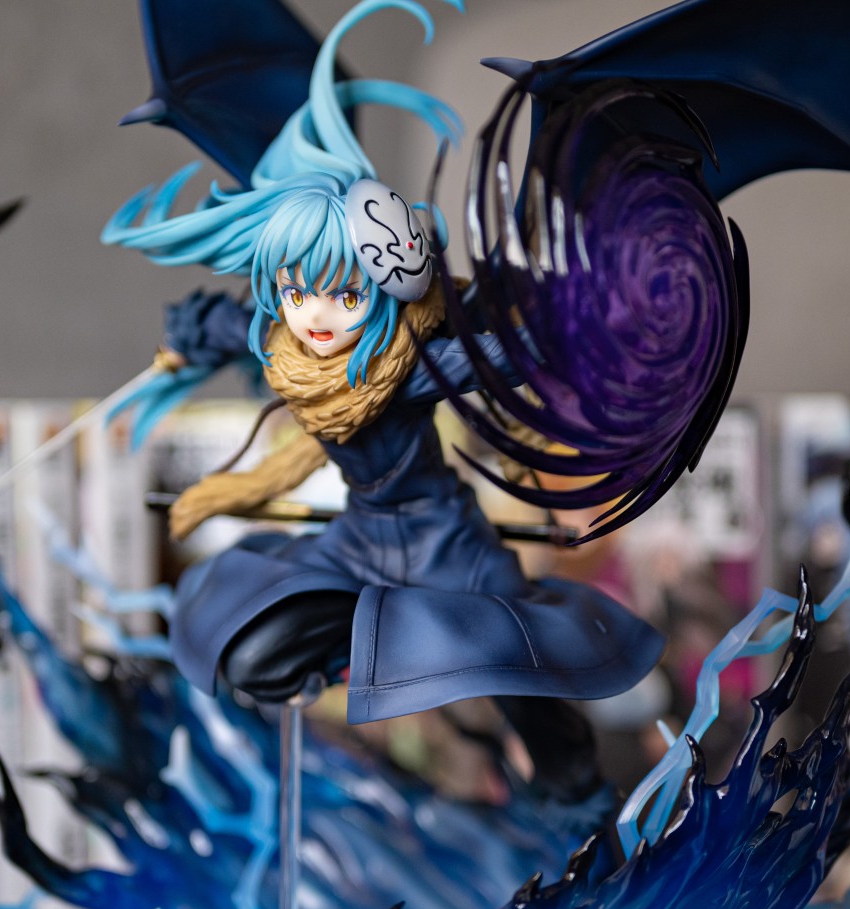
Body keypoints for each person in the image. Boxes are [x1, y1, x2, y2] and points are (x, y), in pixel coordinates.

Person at [103, 0, 661, 801]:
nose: (318, 317)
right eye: (299, 291)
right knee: (253, 656)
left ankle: (572, 791)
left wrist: (587, 315)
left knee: (520, 683)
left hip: (447, 551)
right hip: (359, 545)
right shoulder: (286, 346)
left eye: (345, 295)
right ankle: (366, 665)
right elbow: (233, 328)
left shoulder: (404, 367)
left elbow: (500, 357)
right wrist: (191, 332)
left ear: (382, 293)